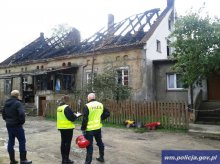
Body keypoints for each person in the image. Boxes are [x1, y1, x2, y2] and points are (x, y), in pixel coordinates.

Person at [2, 90, 32, 164]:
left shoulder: (6, 103)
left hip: (9, 125)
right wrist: (21, 122)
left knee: (11, 141)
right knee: (22, 141)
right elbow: (21, 114)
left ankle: (12, 160)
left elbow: (3, 113)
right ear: (17, 95)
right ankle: (23, 160)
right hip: (17, 126)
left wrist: (7, 120)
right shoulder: (18, 103)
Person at [81, 93, 110, 164]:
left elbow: (85, 119)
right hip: (98, 128)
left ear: (89, 98)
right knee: (100, 142)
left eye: (87, 98)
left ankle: (88, 162)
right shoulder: (100, 105)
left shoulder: (87, 106)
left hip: (89, 129)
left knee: (89, 146)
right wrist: (101, 118)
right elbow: (108, 113)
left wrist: (83, 128)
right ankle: (101, 157)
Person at [57, 95, 81, 164]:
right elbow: (71, 118)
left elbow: (65, 115)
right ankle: (66, 159)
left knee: (63, 142)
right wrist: (77, 115)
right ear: (67, 100)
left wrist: (72, 113)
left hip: (61, 127)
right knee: (67, 143)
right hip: (68, 128)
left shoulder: (59, 108)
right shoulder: (66, 108)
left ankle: (63, 159)